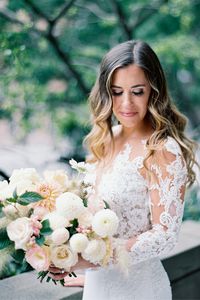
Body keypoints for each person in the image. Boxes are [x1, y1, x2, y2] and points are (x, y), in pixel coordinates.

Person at [49, 40, 197, 299]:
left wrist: (88, 260)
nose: (126, 103)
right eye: (117, 92)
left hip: (140, 290)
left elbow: (164, 236)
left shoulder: (162, 148)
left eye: (137, 91)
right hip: (99, 287)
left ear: (154, 91)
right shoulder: (104, 139)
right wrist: (71, 255)